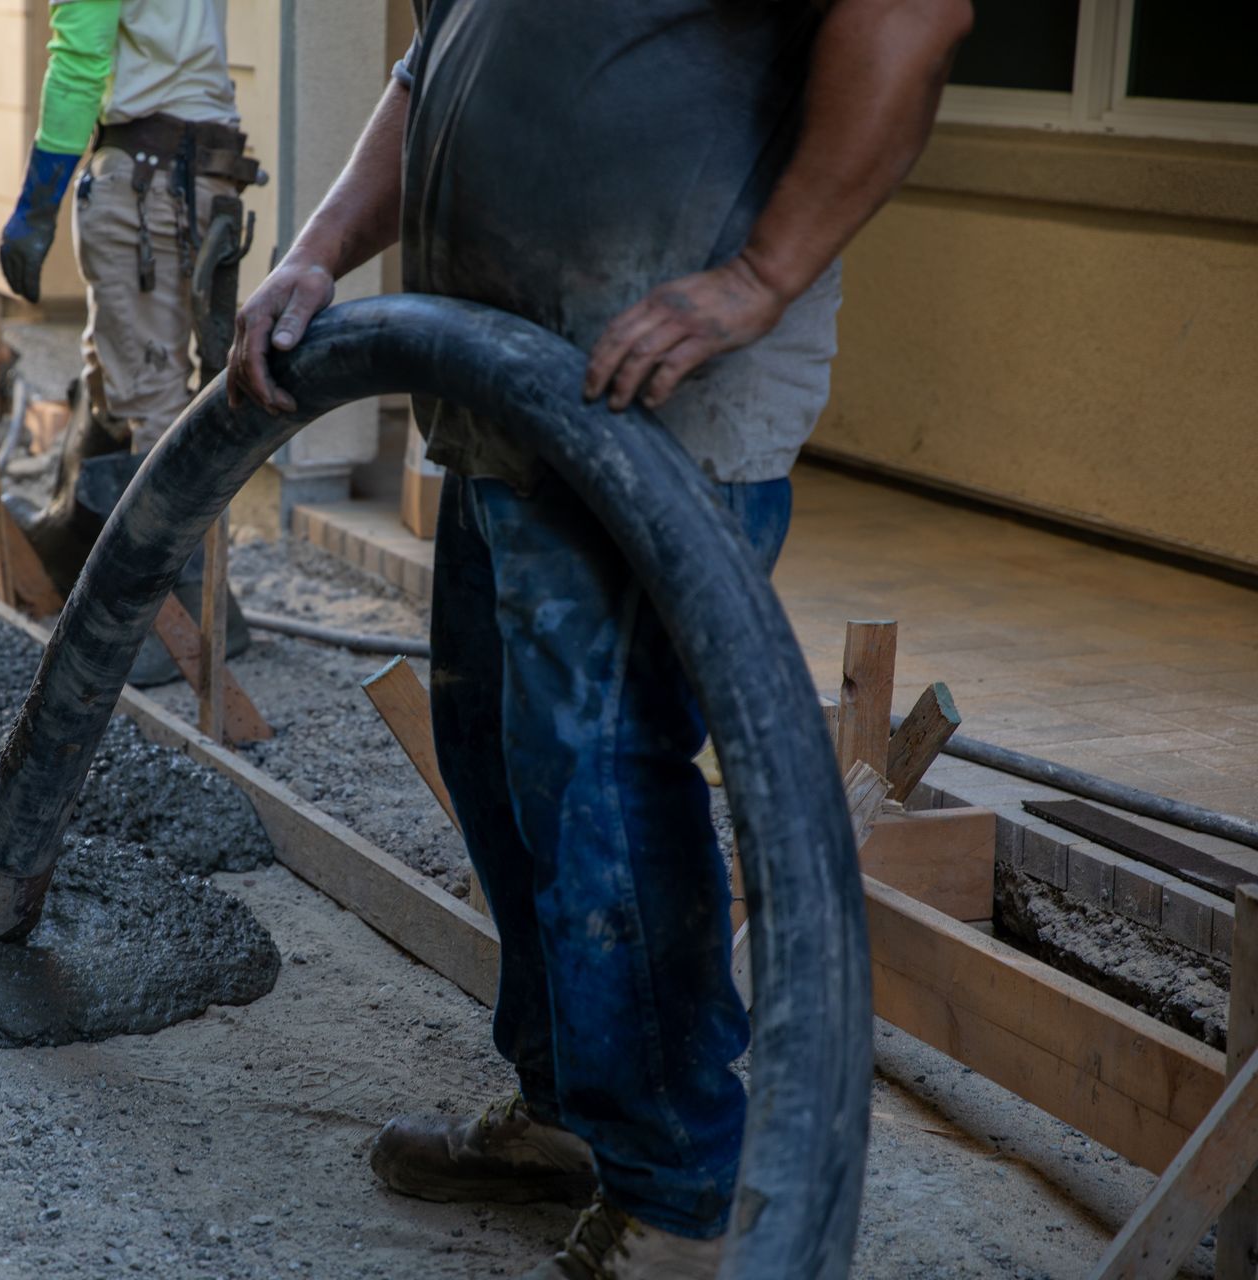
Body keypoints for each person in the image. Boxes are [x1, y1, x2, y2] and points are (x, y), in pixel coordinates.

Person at [228, 1, 972, 1276]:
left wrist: (763, 272)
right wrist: (319, 248)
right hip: (503, 394)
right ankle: (578, 1116)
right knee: (496, 751)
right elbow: (431, 73)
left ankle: (677, 1192)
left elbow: (909, 13)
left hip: (657, 409)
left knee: (599, 784)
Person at [0, 0, 261, 685]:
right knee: (121, 379)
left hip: (148, 178)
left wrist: (35, 207)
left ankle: (177, 623)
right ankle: (80, 553)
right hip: (203, 171)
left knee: (151, 404)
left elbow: (81, 62)